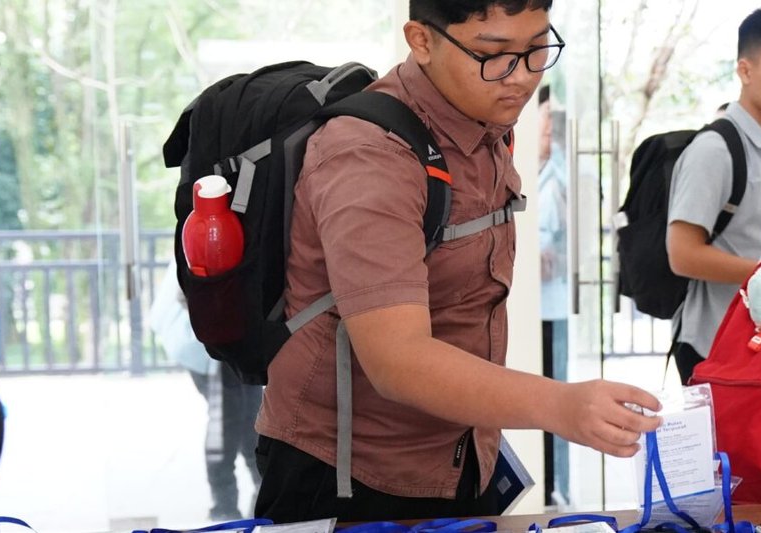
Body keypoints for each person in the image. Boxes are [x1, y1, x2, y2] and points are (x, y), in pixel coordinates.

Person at [252, 0, 662, 522]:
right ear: (422, 41)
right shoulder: (369, 154)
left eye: (537, 48)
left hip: (463, 458)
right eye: (493, 55)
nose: (522, 77)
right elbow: (398, 361)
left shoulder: (484, 121)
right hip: (351, 477)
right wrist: (562, 406)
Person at [666, 6, 761, 384]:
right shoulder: (714, 150)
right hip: (711, 343)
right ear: (745, 71)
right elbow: (682, 255)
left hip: (753, 340)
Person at [149, 261, 262, 521]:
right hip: (215, 343)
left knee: (250, 417)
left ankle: (255, 490)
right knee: (228, 423)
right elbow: (188, 291)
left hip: (230, 339)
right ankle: (225, 506)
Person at [535, 84, 573, 508]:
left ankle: (552, 486)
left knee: (554, 397)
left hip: (555, 304)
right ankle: (546, 485)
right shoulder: (528, 169)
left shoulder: (561, 173)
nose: (548, 129)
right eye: (545, 120)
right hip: (534, 305)